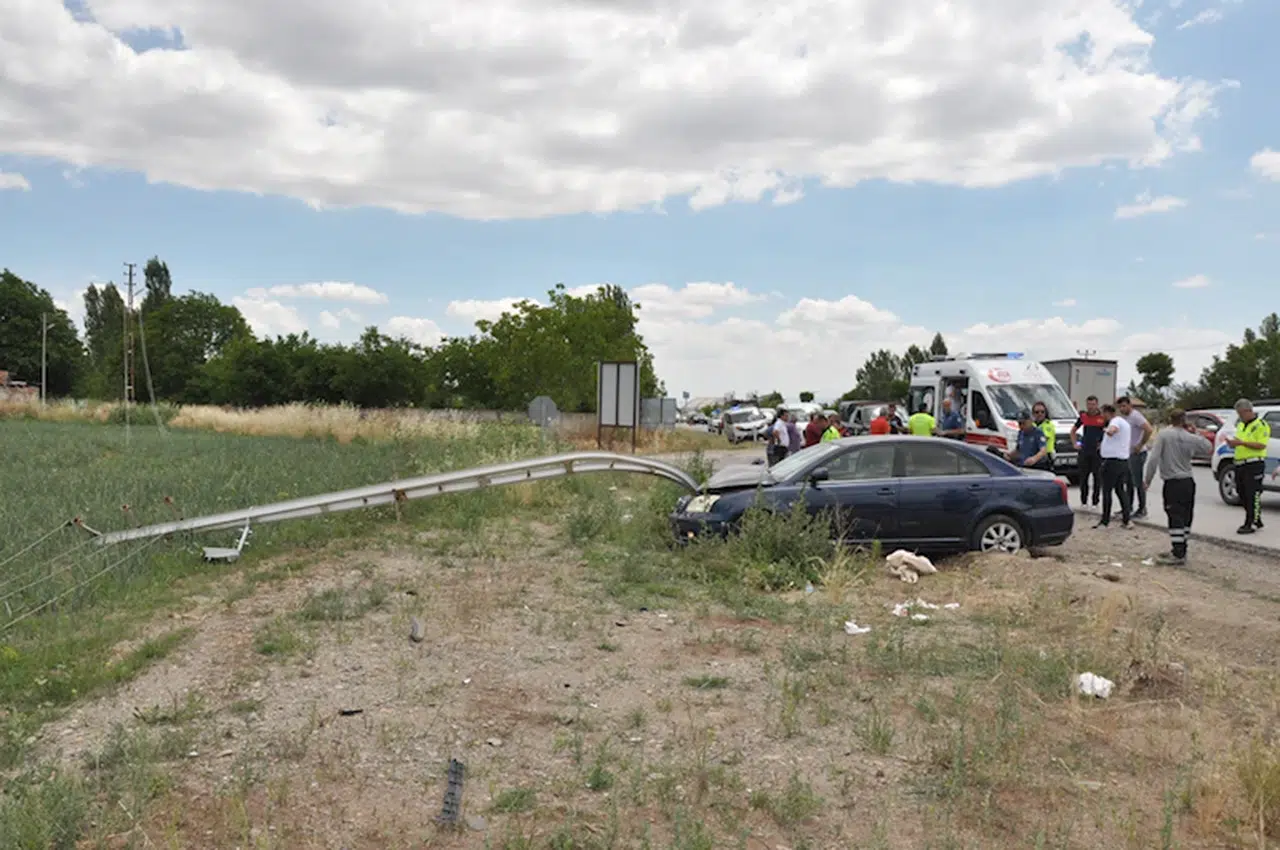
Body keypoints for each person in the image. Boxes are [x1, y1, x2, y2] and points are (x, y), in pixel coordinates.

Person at [1142, 409, 1207, 564]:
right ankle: (1181, 548)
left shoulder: (1164, 435)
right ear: (1184, 420)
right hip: (1188, 481)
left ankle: (1178, 554)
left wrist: (1148, 479)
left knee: (1174, 516)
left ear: (1170, 419)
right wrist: (1195, 432)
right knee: (1186, 516)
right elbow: (1207, 447)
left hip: (1173, 482)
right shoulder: (1189, 437)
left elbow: (1154, 459)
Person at [1226, 397, 1271, 534]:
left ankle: (1249, 522)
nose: (1240, 416)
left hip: (1254, 463)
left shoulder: (1260, 425)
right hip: (1240, 463)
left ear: (1248, 411)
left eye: (1241, 413)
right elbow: (1239, 441)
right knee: (1241, 492)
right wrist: (1233, 443)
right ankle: (1256, 518)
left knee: (1253, 494)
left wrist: (1242, 443)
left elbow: (1261, 444)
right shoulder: (1241, 425)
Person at [1096, 403, 1133, 529]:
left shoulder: (1115, 421)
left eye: (1103, 414)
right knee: (1120, 490)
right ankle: (1127, 519)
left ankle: (1105, 521)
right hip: (1123, 461)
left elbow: (1113, 430)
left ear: (1108, 413)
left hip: (1112, 462)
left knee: (1107, 491)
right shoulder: (1125, 423)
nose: (1102, 417)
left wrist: (1107, 430)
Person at [1117, 396, 1154, 519]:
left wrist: (1140, 444)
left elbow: (1148, 429)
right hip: (1128, 454)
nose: (1122, 409)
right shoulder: (1125, 418)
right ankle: (1128, 507)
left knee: (1137, 482)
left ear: (1129, 405)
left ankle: (1142, 508)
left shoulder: (1135, 416)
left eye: (1124, 406)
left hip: (1137, 454)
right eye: (1120, 407)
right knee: (1128, 482)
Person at [1071, 395, 1106, 508]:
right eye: (1089, 404)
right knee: (1083, 477)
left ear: (1097, 405)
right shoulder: (1083, 416)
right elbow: (1073, 430)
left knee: (1097, 477)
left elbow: (1108, 432)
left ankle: (1095, 502)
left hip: (1097, 452)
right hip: (1084, 450)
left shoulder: (1102, 418)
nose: (1091, 407)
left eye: (1093, 404)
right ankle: (1084, 501)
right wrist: (1075, 443)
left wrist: (1103, 444)